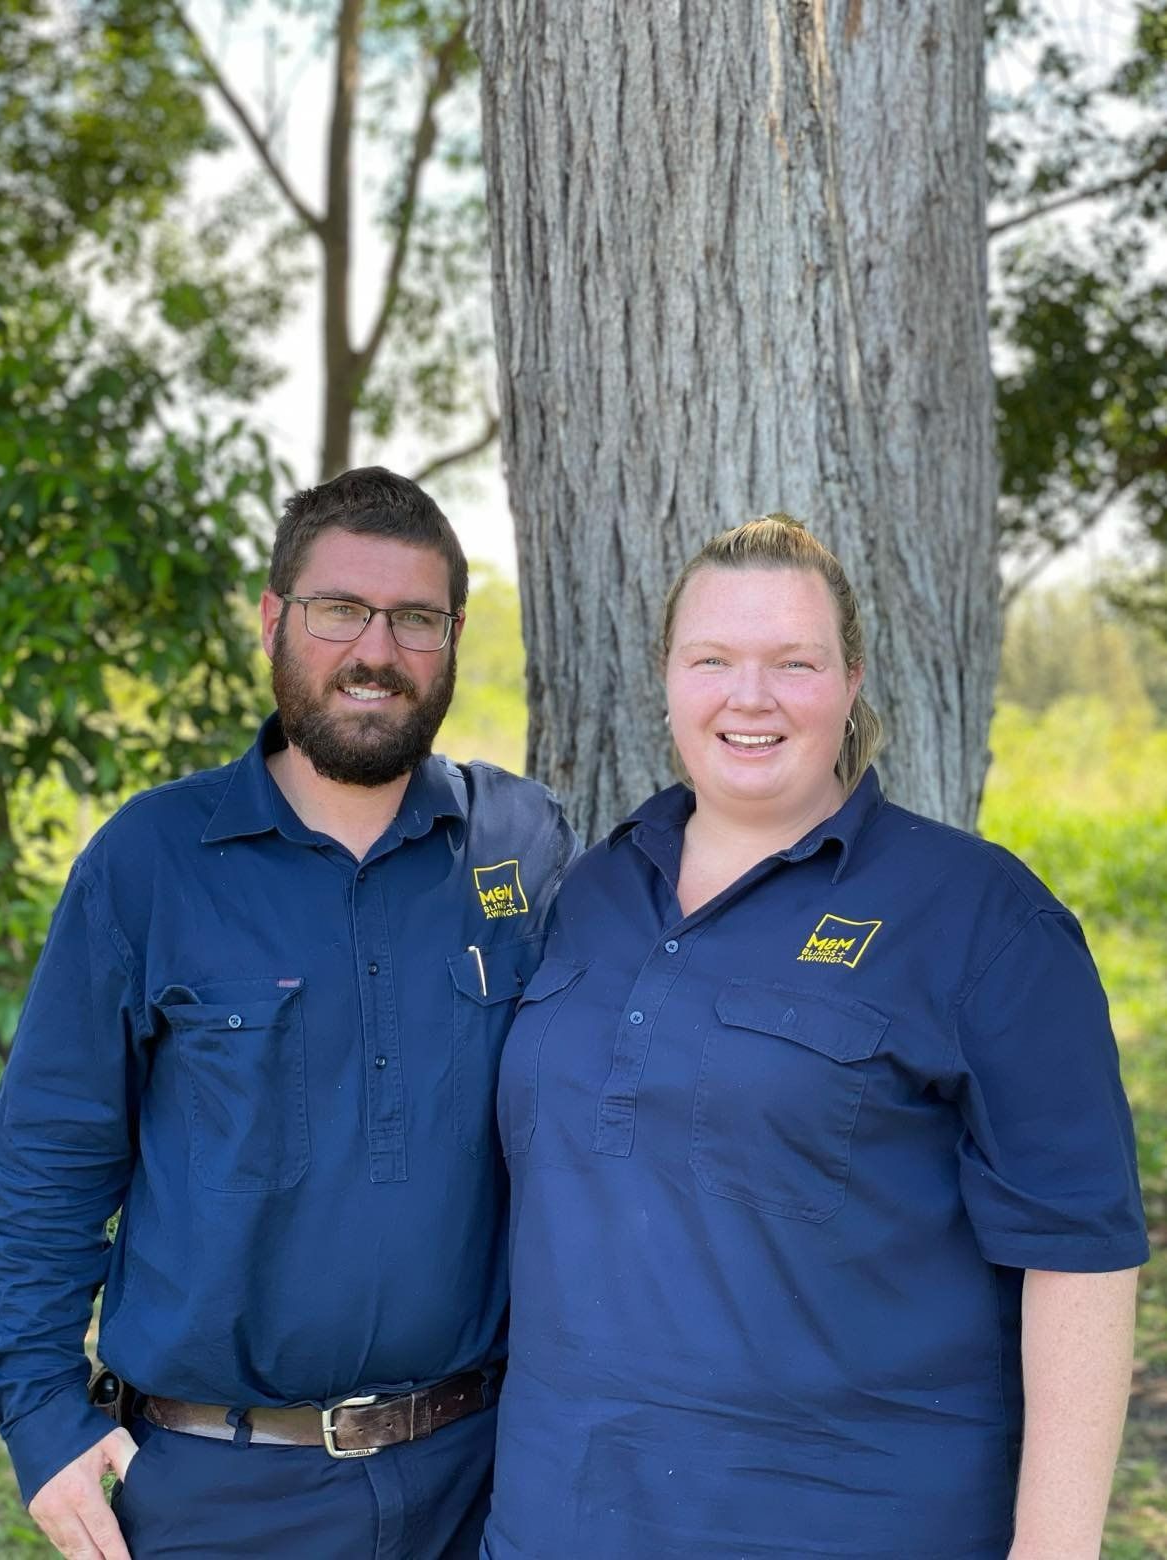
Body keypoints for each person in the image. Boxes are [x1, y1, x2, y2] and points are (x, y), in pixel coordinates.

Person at [481, 515, 1147, 1560]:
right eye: (714, 661)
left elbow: (1082, 1256)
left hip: (855, 1523)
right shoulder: (590, 892)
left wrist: (1055, 1548)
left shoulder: (980, 918)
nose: (752, 697)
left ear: (850, 682)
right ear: (666, 678)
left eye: (795, 662)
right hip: (557, 1521)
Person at [0, 467, 576, 1560]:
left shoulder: (523, 843)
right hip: (216, 1493)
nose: (376, 651)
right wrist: (38, 1414)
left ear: (452, 637)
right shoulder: (151, 860)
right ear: (274, 621)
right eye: (338, 610)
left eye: (414, 619)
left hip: (483, 1479)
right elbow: (48, 1156)